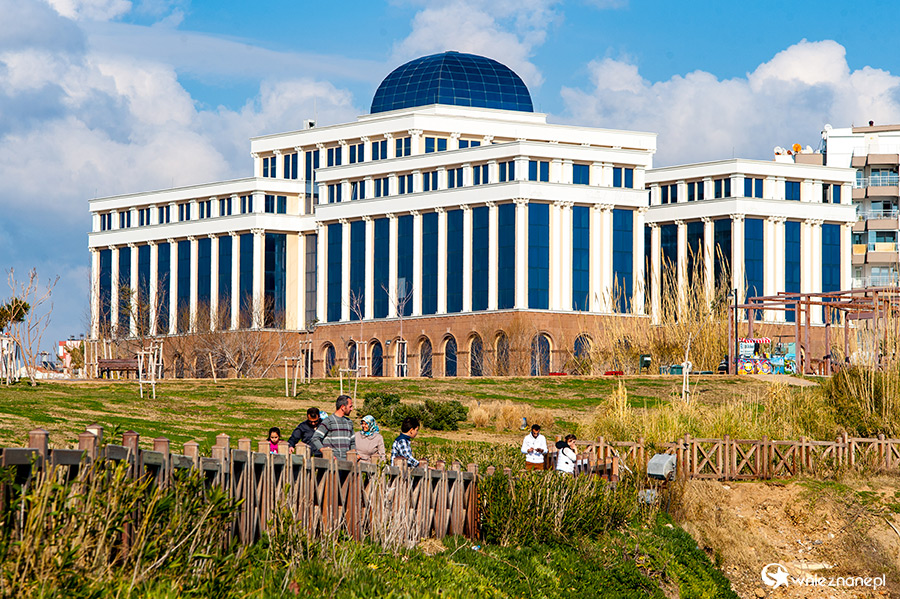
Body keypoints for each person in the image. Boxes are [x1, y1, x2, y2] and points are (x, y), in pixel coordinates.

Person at [309, 395, 355, 459]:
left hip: (347, 463)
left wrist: (353, 455)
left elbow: (353, 442)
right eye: (350, 406)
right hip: (332, 463)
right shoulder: (328, 421)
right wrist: (326, 453)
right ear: (342, 407)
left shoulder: (349, 422)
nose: (352, 409)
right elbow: (315, 438)